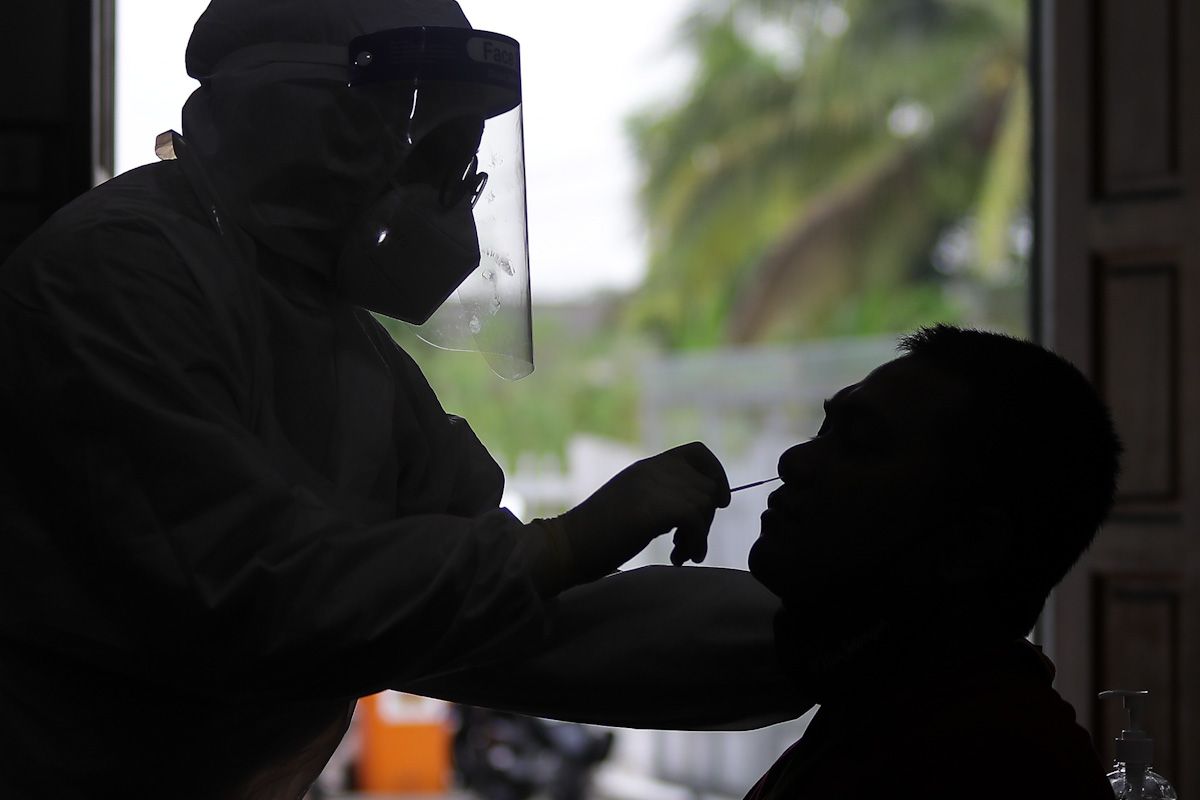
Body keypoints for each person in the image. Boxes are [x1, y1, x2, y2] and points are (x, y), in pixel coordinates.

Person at [0, 2, 814, 797]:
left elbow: (499, 611)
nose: (457, 203)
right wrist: (564, 546)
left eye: (468, 172)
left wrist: (822, 632)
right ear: (324, 129)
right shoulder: (118, 275)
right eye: (440, 158)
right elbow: (252, 596)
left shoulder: (335, 340)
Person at [741, 324, 1120, 798]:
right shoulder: (879, 702)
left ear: (970, 544)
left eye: (859, 442)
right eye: (825, 430)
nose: (792, 461)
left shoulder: (991, 763)